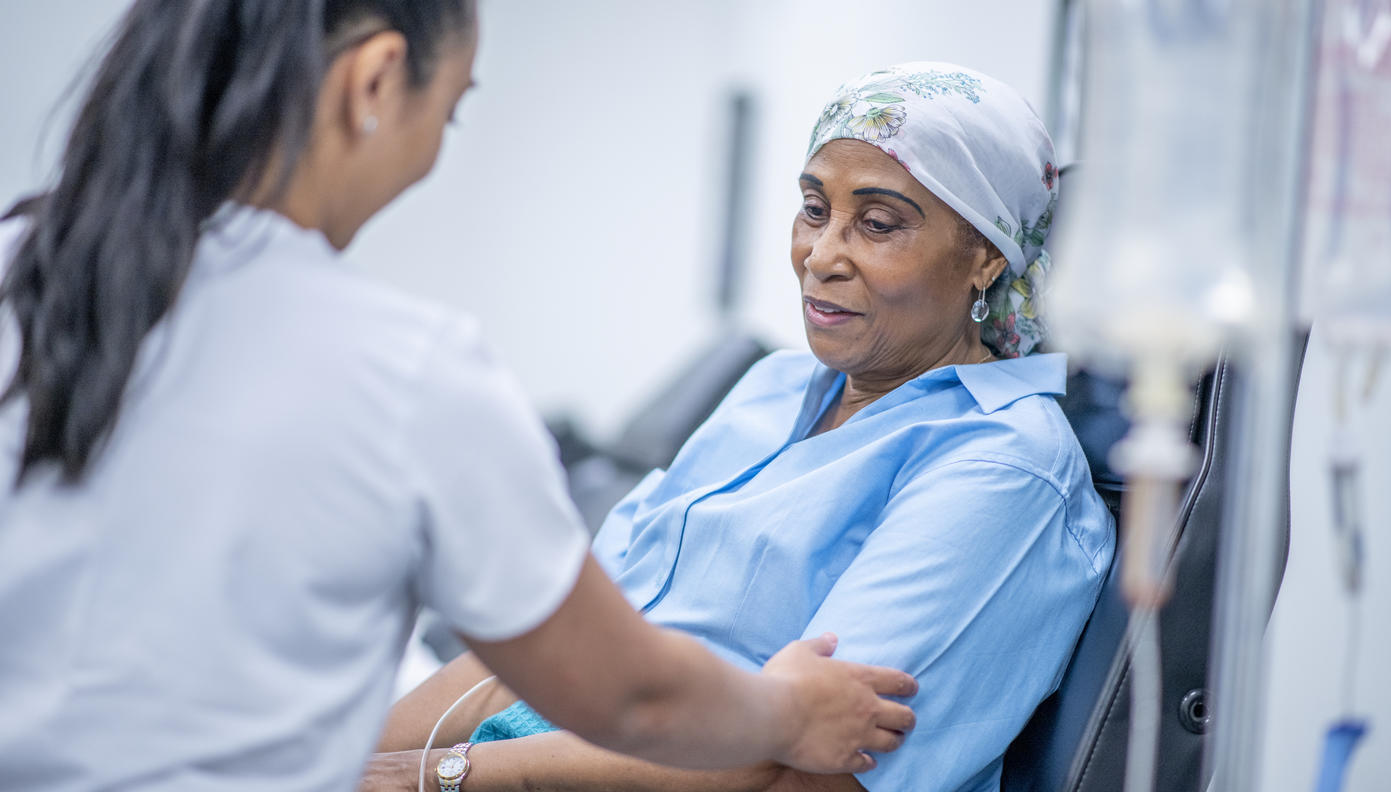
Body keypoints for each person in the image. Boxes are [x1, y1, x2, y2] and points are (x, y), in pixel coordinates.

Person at [0, 3, 920, 791]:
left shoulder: (19, 268)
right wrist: (788, 710)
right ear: (375, 82)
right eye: (452, 110)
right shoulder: (406, 371)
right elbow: (631, 693)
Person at [360, 63, 1115, 792]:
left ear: (984, 257)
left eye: (877, 224)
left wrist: (436, 776)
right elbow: (563, 643)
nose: (820, 256)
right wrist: (351, 765)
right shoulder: (773, 387)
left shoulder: (1004, 467)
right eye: (814, 209)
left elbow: (810, 767)